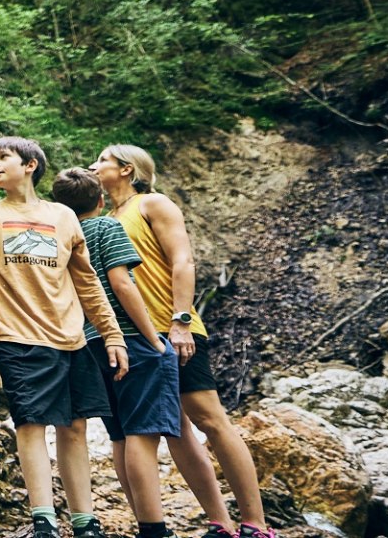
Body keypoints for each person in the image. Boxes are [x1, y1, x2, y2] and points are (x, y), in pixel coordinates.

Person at [89, 145, 275, 538]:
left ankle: (256, 525)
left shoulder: (152, 204)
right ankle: (220, 523)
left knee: (210, 418)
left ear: (126, 169)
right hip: (138, 341)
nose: (93, 165)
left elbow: (182, 260)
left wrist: (182, 320)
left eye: (101, 160)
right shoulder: (105, 219)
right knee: (175, 428)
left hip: (174, 330)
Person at [0, 137, 127, 538]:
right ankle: (44, 520)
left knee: (76, 427)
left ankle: (86, 522)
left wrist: (113, 336)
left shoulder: (64, 216)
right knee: (31, 423)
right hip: (16, 335)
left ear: (30, 165)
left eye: (3, 158)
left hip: (71, 336)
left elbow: (87, 282)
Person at [54, 168, 183, 538]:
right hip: (125, 337)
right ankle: (154, 528)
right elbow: (121, 283)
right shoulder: (106, 228)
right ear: (99, 201)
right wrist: (155, 340)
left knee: (120, 436)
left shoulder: (60, 236)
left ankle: (144, 519)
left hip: (85, 342)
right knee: (142, 433)